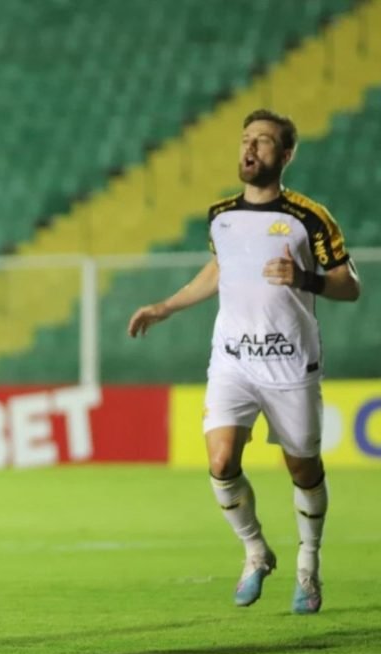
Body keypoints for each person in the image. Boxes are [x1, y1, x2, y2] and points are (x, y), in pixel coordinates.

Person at [128, 109, 361, 615]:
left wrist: (305, 279)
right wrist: (166, 307)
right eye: (245, 139)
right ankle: (256, 551)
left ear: (286, 154)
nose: (250, 148)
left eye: (263, 141)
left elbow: (350, 286)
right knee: (220, 461)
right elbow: (219, 269)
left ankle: (309, 565)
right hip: (233, 361)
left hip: (291, 366)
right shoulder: (221, 216)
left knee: (303, 469)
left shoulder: (309, 218)